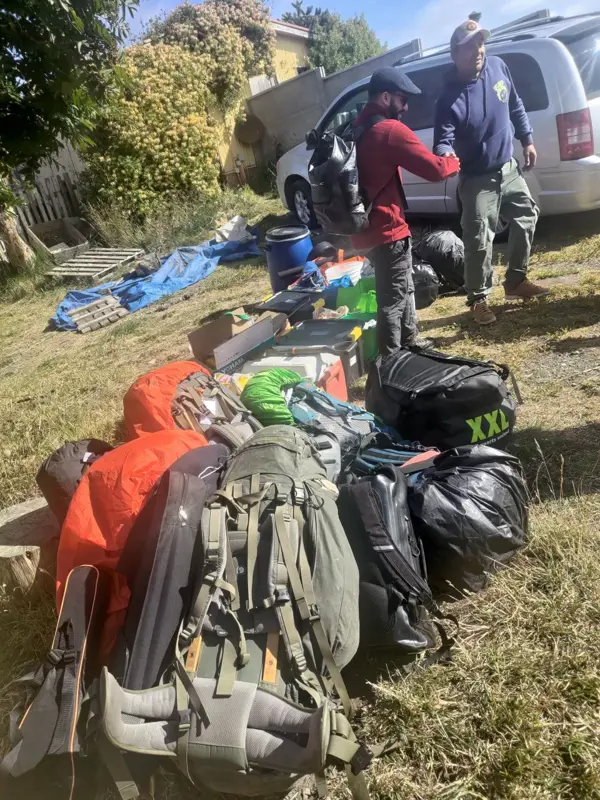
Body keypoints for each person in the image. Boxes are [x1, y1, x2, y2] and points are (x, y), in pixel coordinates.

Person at [434, 17, 549, 325]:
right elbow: (442, 140)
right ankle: (478, 299)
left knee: (527, 216)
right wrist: (445, 154)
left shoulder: (498, 67)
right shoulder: (448, 99)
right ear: (454, 55)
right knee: (478, 239)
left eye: (481, 43)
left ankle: (516, 281)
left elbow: (515, 104)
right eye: (469, 47)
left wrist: (527, 139)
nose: (478, 50)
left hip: (507, 167)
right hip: (477, 179)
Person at [352, 67, 460, 355]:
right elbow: (435, 170)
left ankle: (410, 342)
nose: (406, 107)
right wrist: (453, 161)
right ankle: (392, 362)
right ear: (386, 97)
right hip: (387, 229)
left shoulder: (358, 126)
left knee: (403, 286)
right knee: (393, 300)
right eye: (402, 99)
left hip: (365, 228)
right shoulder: (389, 130)